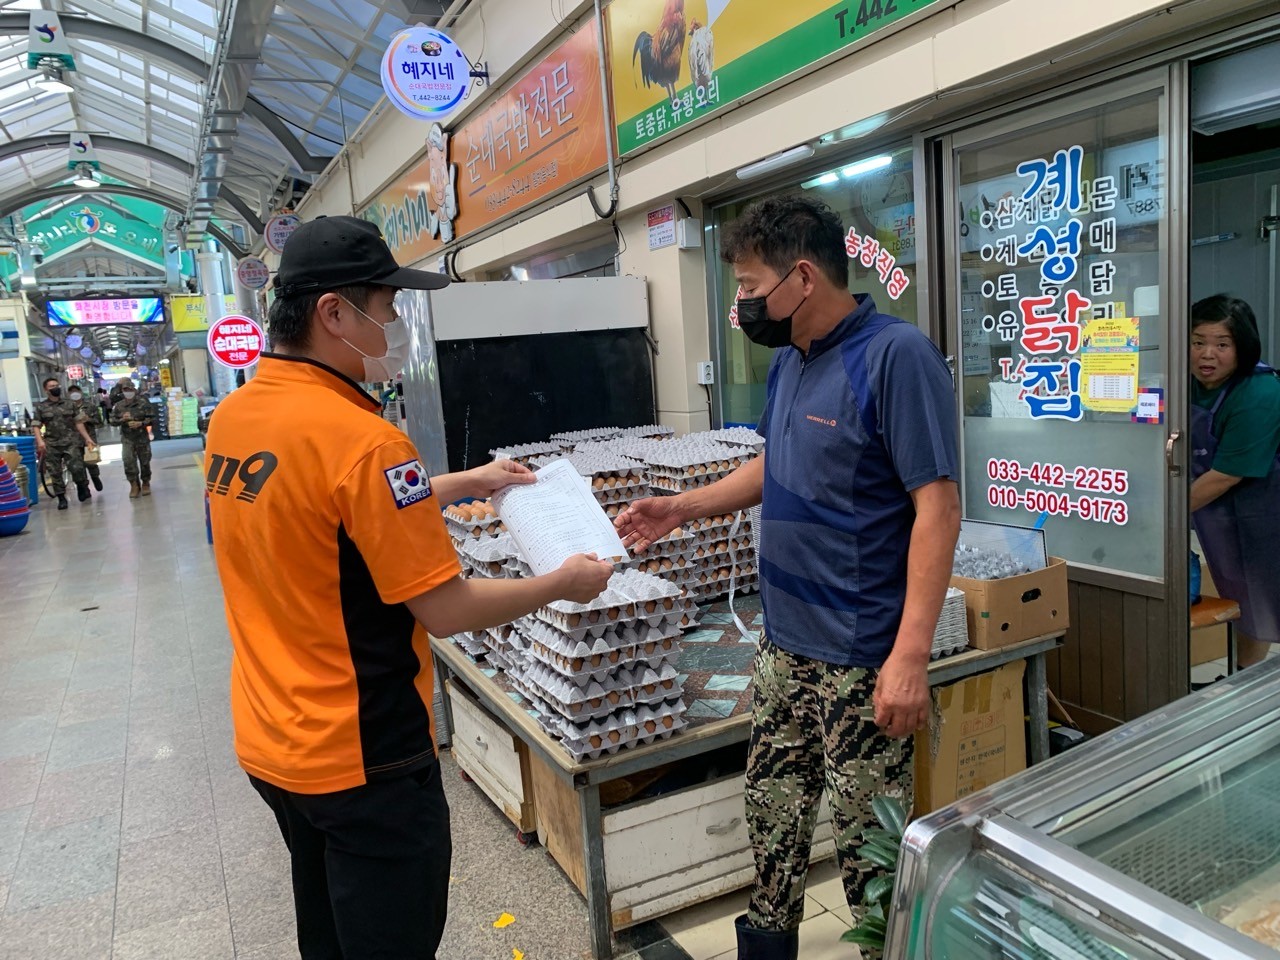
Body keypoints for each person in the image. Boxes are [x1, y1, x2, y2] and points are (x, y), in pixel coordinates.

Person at [205, 215, 613, 960]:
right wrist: (561, 582)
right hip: (362, 753)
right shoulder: (365, 441)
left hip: (272, 738)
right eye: (386, 306)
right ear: (333, 313)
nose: (394, 324)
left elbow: (331, 510)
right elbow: (446, 609)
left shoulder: (237, 416)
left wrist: (468, 481)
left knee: (329, 933)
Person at [615, 196, 960, 960]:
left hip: (860, 658)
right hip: (785, 651)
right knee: (772, 833)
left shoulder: (895, 357)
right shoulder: (791, 363)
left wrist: (910, 655)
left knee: (872, 860)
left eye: (748, 286)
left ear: (802, 278)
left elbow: (937, 508)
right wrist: (681, 507)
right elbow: (778, 462)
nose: (741, 303)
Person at [1190, 294, 1280, 669]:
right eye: (1198, 342)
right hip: (1221, 514)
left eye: (1222, 345)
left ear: (1242, 347)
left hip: (1265, 511)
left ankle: (1250, 682)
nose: (1207, 354)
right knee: (1241, 594)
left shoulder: (1260, 391)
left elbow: (1227, 474)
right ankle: (1243, 678)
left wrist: (1162, 515)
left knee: (1263, 596)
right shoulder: (1185, 382)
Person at [32, 375, 97, 510]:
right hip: (52, 443)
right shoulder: (41, 407)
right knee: (55, 472)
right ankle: (61, 497)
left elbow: (79, 422)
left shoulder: (70, 404)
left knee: (77, 467)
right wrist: (40, 442)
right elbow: (36, 426)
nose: (55, 388)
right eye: (52, 387)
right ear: (46, 390)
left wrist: (87, 438)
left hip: (71, 441)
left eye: (57, 386)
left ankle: (81, 485)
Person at [110, 379, 156, 498]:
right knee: (128, 461)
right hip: (127, 438)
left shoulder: (143, 403)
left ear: (134, 390)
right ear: (122, 391)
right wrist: (122, 420)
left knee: (145, 461)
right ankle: (134, 484)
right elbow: (112, 421)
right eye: (125, 390)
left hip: (142, 437)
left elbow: (152, 418)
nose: (128, 392)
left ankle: (145, 483)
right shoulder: (119, 406)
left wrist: (141, 423)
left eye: (130, 389)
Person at [68, 384, 104, 492]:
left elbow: (99, 422)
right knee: (77, 464)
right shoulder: (66, 407)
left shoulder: (90, 406)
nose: (74, 393)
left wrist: (88, 419)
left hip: (89, 437)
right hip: (73, 439)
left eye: (76, 391)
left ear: (80, 392)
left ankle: (95, 477)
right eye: (71, 392)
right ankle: (83, 486)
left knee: (90, 461)